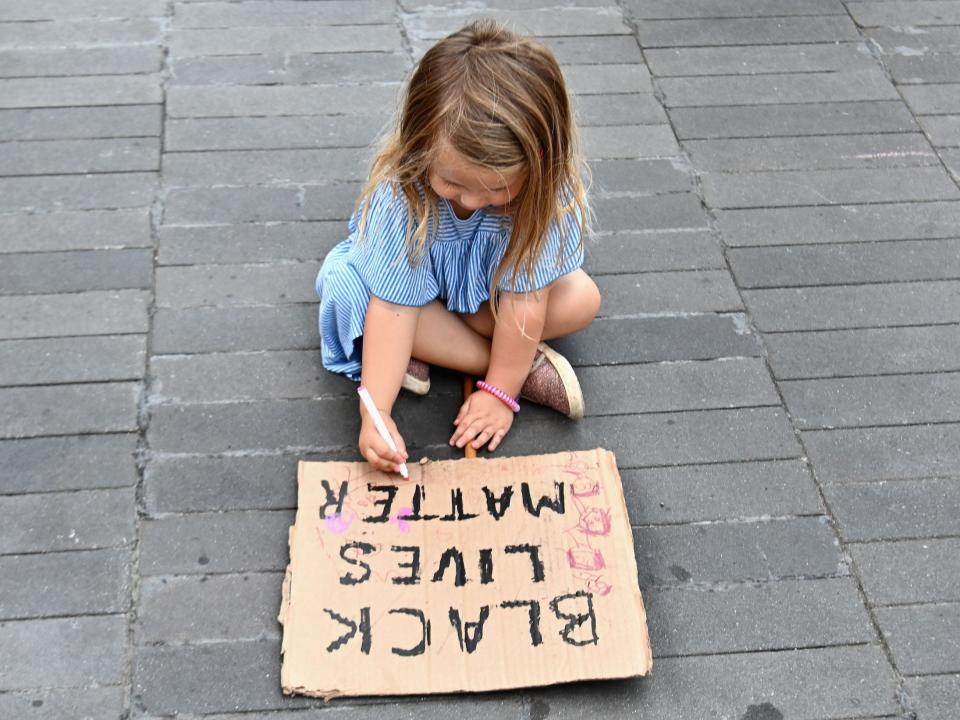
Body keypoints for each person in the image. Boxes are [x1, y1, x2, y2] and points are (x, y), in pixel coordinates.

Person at [316, 19, 601, 474]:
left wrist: (497, 396)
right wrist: (376, 414)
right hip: (409, 296)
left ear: (538, 162)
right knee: (351, 294)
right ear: (420, 141)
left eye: (494, 190)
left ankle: (445, 352)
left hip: (487, 295)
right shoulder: (400, 193)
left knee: (581, 300)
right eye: (450, 181)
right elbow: (393, 311)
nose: (468, 201)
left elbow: (528, 298)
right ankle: (516, 364)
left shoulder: (546, 193)